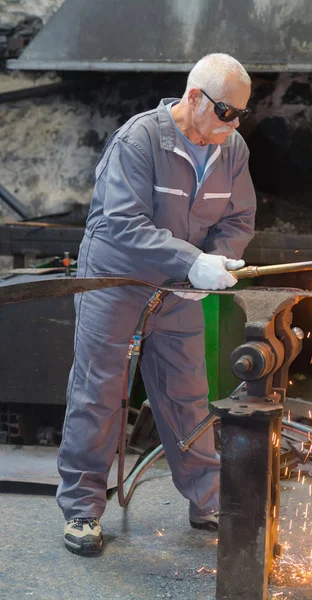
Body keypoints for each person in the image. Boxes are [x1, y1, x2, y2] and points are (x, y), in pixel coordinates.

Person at [56, 53, 257, 556]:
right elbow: (122, 223)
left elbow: (238, 218)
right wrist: (190, 260)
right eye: (226, 113)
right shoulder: (139, 139)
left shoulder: (231, 149)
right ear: (194, 97)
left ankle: (210, 500)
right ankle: (82, 510)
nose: (232, 125)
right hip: (115, 279)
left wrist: (215, 262)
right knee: (99, 389)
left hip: (178, 285)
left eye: (240, 116)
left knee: (187, 390)